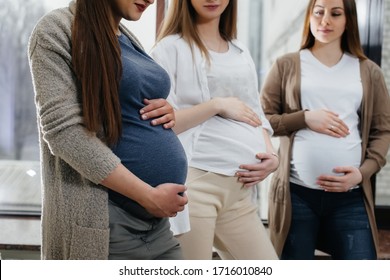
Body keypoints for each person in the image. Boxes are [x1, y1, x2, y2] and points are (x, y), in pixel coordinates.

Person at [28, 0, 188, 260]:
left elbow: (123, 104)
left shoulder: (124, 35)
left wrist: (166, 110)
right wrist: (147, 195)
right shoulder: (55, 30)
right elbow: (64, 134)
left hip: (156, 225)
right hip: (107, 220)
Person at [261, 0, 390, 260]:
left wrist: (361, 174)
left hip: (350, 196)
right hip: (296, 195)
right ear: (309, 16)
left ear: (348, 20)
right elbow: (263, 120)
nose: (325, 20)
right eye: (318, 12)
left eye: (335, 13)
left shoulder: (368, 71)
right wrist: (305, 118)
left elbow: (382, 131)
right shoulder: (286, 64)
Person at [150, 0, 279, 260]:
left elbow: (256, 113)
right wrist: (217, 105)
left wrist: (271, 157)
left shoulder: (240, 50)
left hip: (239, 190)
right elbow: (162, 124)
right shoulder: (168, 49)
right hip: (197, 187)